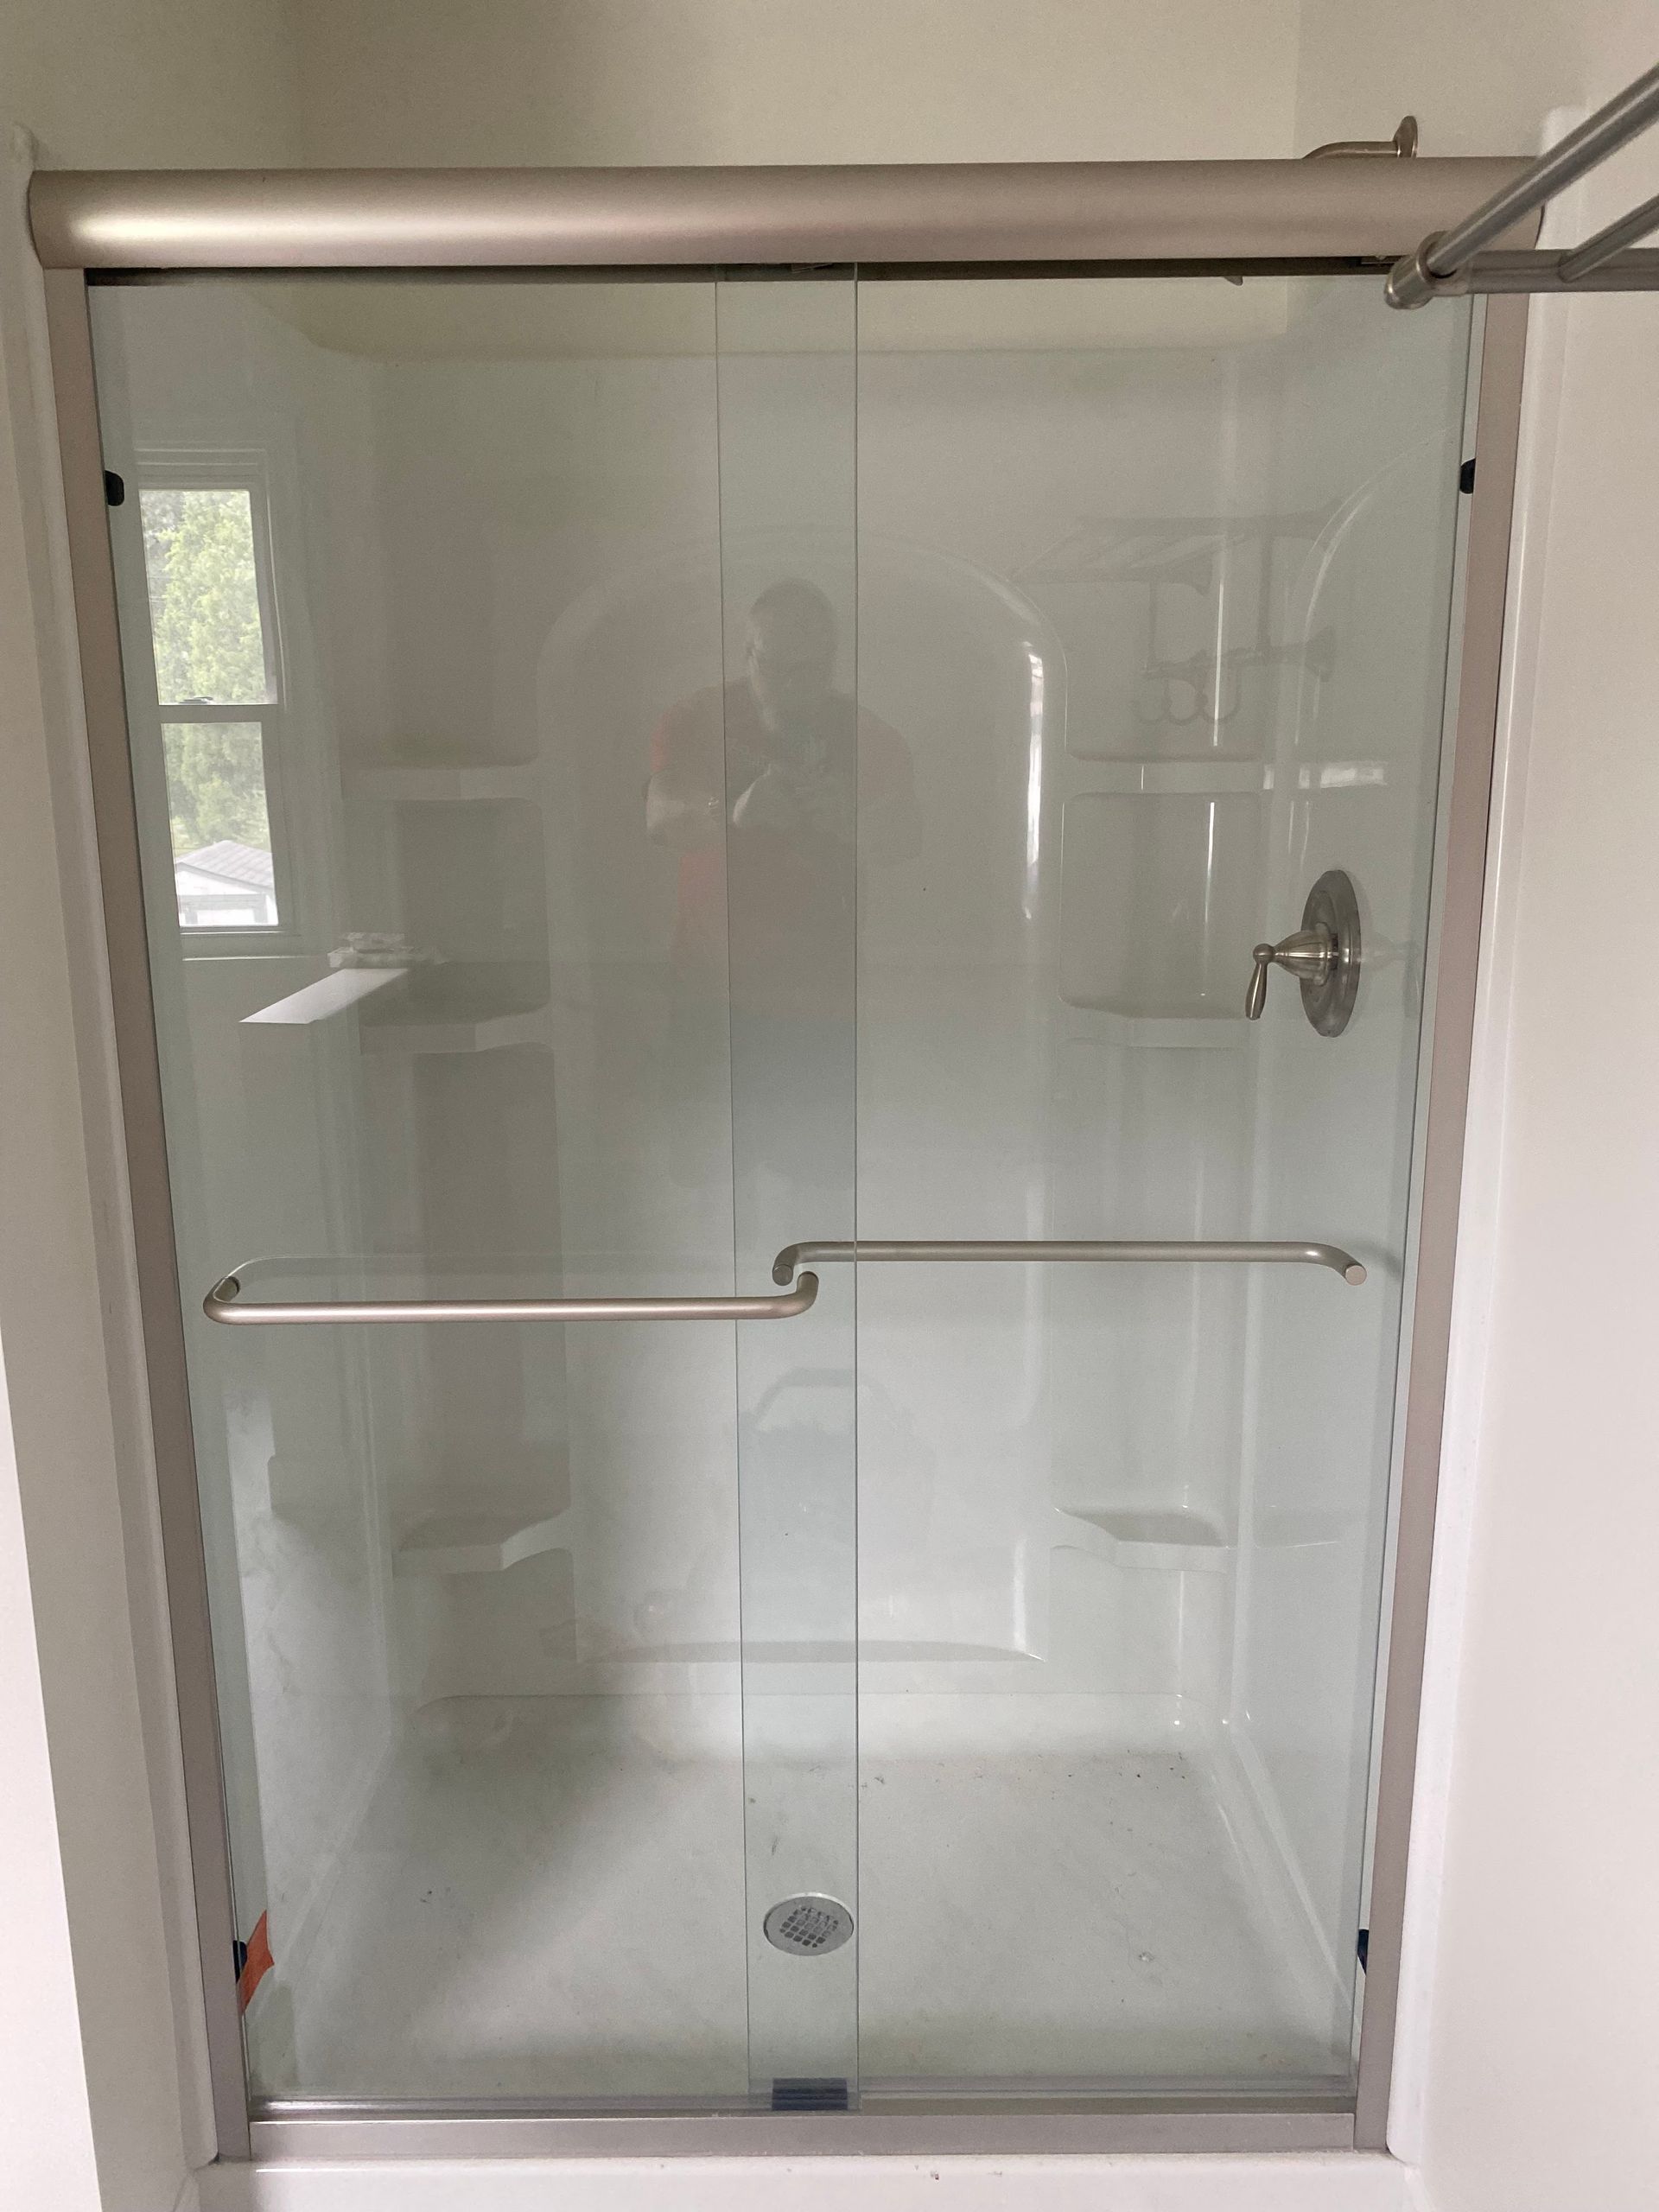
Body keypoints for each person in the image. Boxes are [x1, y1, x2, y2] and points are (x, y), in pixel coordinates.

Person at [645, 578, 919, 1025]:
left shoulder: (869, 735)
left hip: (822, 989)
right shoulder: (695, 720)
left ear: (831, 660)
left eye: (811, 668)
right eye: (776, 666)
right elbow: (659, 818)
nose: (794, 684)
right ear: (747, 653)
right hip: (711, 985)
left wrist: (853, 820)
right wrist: (731, 813)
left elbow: (907, 838)